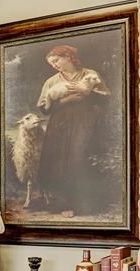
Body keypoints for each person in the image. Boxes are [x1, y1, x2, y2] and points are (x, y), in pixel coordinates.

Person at [36, 44, 110, 217]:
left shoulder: (89, 74)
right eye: (51, 63)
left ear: (68, 57)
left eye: (56, 60)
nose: (54, 65)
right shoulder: (52, 81)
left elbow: (106, 98)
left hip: (85, 123)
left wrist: (87, 92)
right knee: (60, 161)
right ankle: (64, 203)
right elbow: (43, 108)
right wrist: (66, 101)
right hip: (59, 125)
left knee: (80, 158)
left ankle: (86, 203)